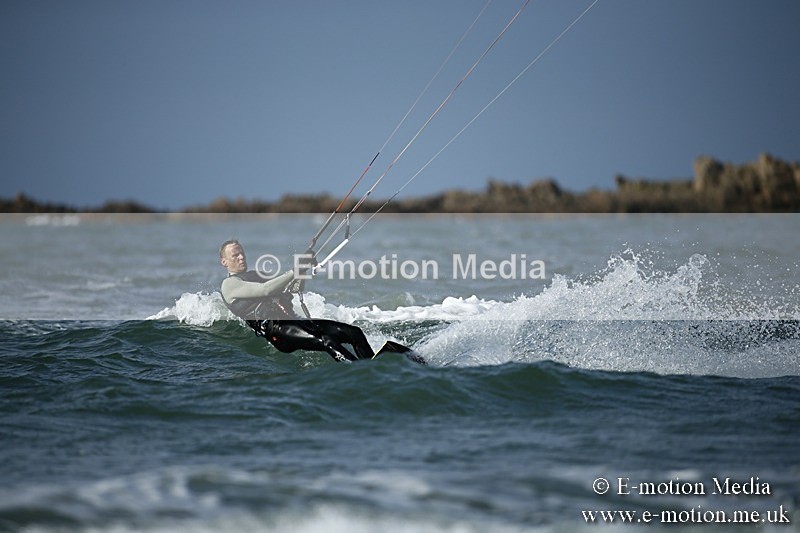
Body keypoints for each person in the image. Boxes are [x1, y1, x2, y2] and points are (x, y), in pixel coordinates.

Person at [218, 239, 376, 362]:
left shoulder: (254, 275)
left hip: (293, 321)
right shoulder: (229, 285)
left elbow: (293, 288)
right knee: (326, 340)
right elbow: (265, 289)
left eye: (242, 253)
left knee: (354, 333)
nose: (241, 257)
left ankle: (373, 367)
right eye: (235, 255)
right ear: (224, 262)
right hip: (278, 330)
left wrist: (303, 267)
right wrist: (294, 271)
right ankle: (359, 373)